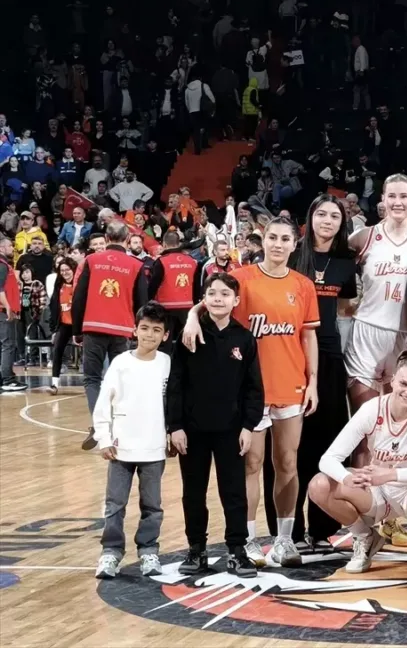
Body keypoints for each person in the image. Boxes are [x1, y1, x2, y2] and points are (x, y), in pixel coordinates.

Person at [183, 217, 319, 568]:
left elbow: (308, 336)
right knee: (251, 465)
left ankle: (285, 539)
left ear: (294, 244)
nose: (278, 244)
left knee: (287, 463)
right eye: (272, 237)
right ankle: (248, 540)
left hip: (291, 384)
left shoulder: (303, 285)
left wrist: (313, 381)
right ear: (263, 240)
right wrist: (192, 316)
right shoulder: (243, 278)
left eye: (285, 238)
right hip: (250, 391)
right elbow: (211, 299)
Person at [309, 351, 407, 574]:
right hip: (376, 492)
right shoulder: (372, 409)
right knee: (319, 485)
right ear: (393, 380)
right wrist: (347, 478)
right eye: (404, 384)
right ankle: (365, 536)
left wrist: (389, 474)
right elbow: (328, 459)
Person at [168, 273, 262, 578]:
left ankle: (237, 550)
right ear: (203, 299)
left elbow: (253, 388)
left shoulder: (244, 338)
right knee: (193, 492)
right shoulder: (189, 335)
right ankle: (196, 549)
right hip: (192, 430)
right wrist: (175, 426)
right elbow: (175, 384)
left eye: (224, 294)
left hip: (231, 430)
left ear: (236, 301)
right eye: (212, 293)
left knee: (233, 492)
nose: (218, 298)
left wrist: (248, 426)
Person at [285, 195, 359, 548]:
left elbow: (344, 307)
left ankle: (321, 528)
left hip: (329, 355)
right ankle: (290, 528)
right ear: (310, 217)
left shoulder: (345, 261)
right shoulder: (292, 254)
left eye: (335, 216)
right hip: (290, 354)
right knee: (292, 446)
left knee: (327, 442)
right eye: (322, 214)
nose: (327, 221)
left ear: (342, 223)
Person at [92, 302, 171, 580]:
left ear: (165, 335)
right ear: (134, 330)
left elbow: (173, 404)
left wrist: (171, 433)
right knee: (115, 504)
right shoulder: (121, 364)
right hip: (121, 447)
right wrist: (103, 438)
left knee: (152, 506)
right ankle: (111, 552)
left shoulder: (167, 364)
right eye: (145, 328)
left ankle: (148, 550)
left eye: (156, 330)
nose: (149, 334)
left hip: (154, 448)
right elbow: (104, 403)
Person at [346, 174, 407, 408]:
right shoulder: (363, 237)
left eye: (404, 196)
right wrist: (344, 306)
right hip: (367, 331)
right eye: (392, 196)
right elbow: (334, 269)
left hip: (406, 335)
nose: (397, 202)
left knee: (397, 418)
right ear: (383, 199)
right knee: (365, 417)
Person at [72, 221, 149, 450]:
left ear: (106, 238)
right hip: (122, 330)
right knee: (121, 381)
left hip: (93, 327)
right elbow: (142, 302)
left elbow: (79, 297)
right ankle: (119, 427)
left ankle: (98, 426)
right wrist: (139, 330)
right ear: (127, 239)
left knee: (92, 379)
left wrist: (77, 330)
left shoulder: (91, 261)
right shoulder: (136, 265)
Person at [147, 231, 198, 351]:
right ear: (178, 243)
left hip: (165, 308)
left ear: (164, 244)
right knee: (186, 342)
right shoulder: (192, 261)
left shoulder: (162, 261)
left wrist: (148, 302)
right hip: (187, 308)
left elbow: (153, 285)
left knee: (165, 342)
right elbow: (196, 287)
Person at [47, 257, 79, 394]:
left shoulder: (80, 284)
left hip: (79, 324)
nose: (65, 272)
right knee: (57, 350)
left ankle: (94, 382)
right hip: (64, 324)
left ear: (73, 270)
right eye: (62, 270)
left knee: (88, 353)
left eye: (67, 270)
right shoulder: (59, 285)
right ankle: (54, 384)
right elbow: (54, 307)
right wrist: (54, 329)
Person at [0, 236, 25, 392]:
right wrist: (8, 307)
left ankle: (4, 377)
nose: (12, 248)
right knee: (8, 345)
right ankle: (8, 379)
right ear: (2, 247)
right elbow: (0, 290)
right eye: (10, 246)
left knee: (4, 344)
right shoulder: (2, 265)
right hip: (3, 311)